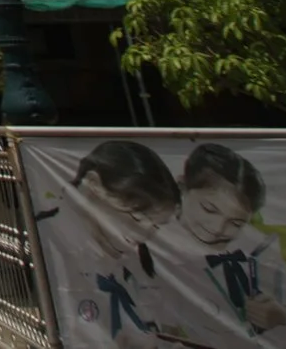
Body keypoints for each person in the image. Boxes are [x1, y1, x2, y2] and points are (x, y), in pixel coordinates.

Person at [38, 140, 181, 349]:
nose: (144, 234)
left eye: (156, 226)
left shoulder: (138, 256)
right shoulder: (49, 239)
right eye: (136, 216)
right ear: (94, 184)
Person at [167, 142, 286, 337]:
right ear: (182, 187)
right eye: (209, 209)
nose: (217, 229)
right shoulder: (148, 243)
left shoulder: (259, 248)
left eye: (236, 223)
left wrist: (283, 316)